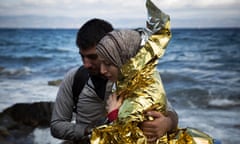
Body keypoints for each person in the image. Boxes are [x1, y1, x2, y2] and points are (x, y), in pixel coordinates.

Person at [50, 18, 178, 144]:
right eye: (82, 56)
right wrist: (91, 131)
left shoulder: (136, 80)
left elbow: (170, 113)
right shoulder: (75, 78)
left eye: (92, 57)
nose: (86, 64)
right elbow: (56, 126)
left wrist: (167, 123)